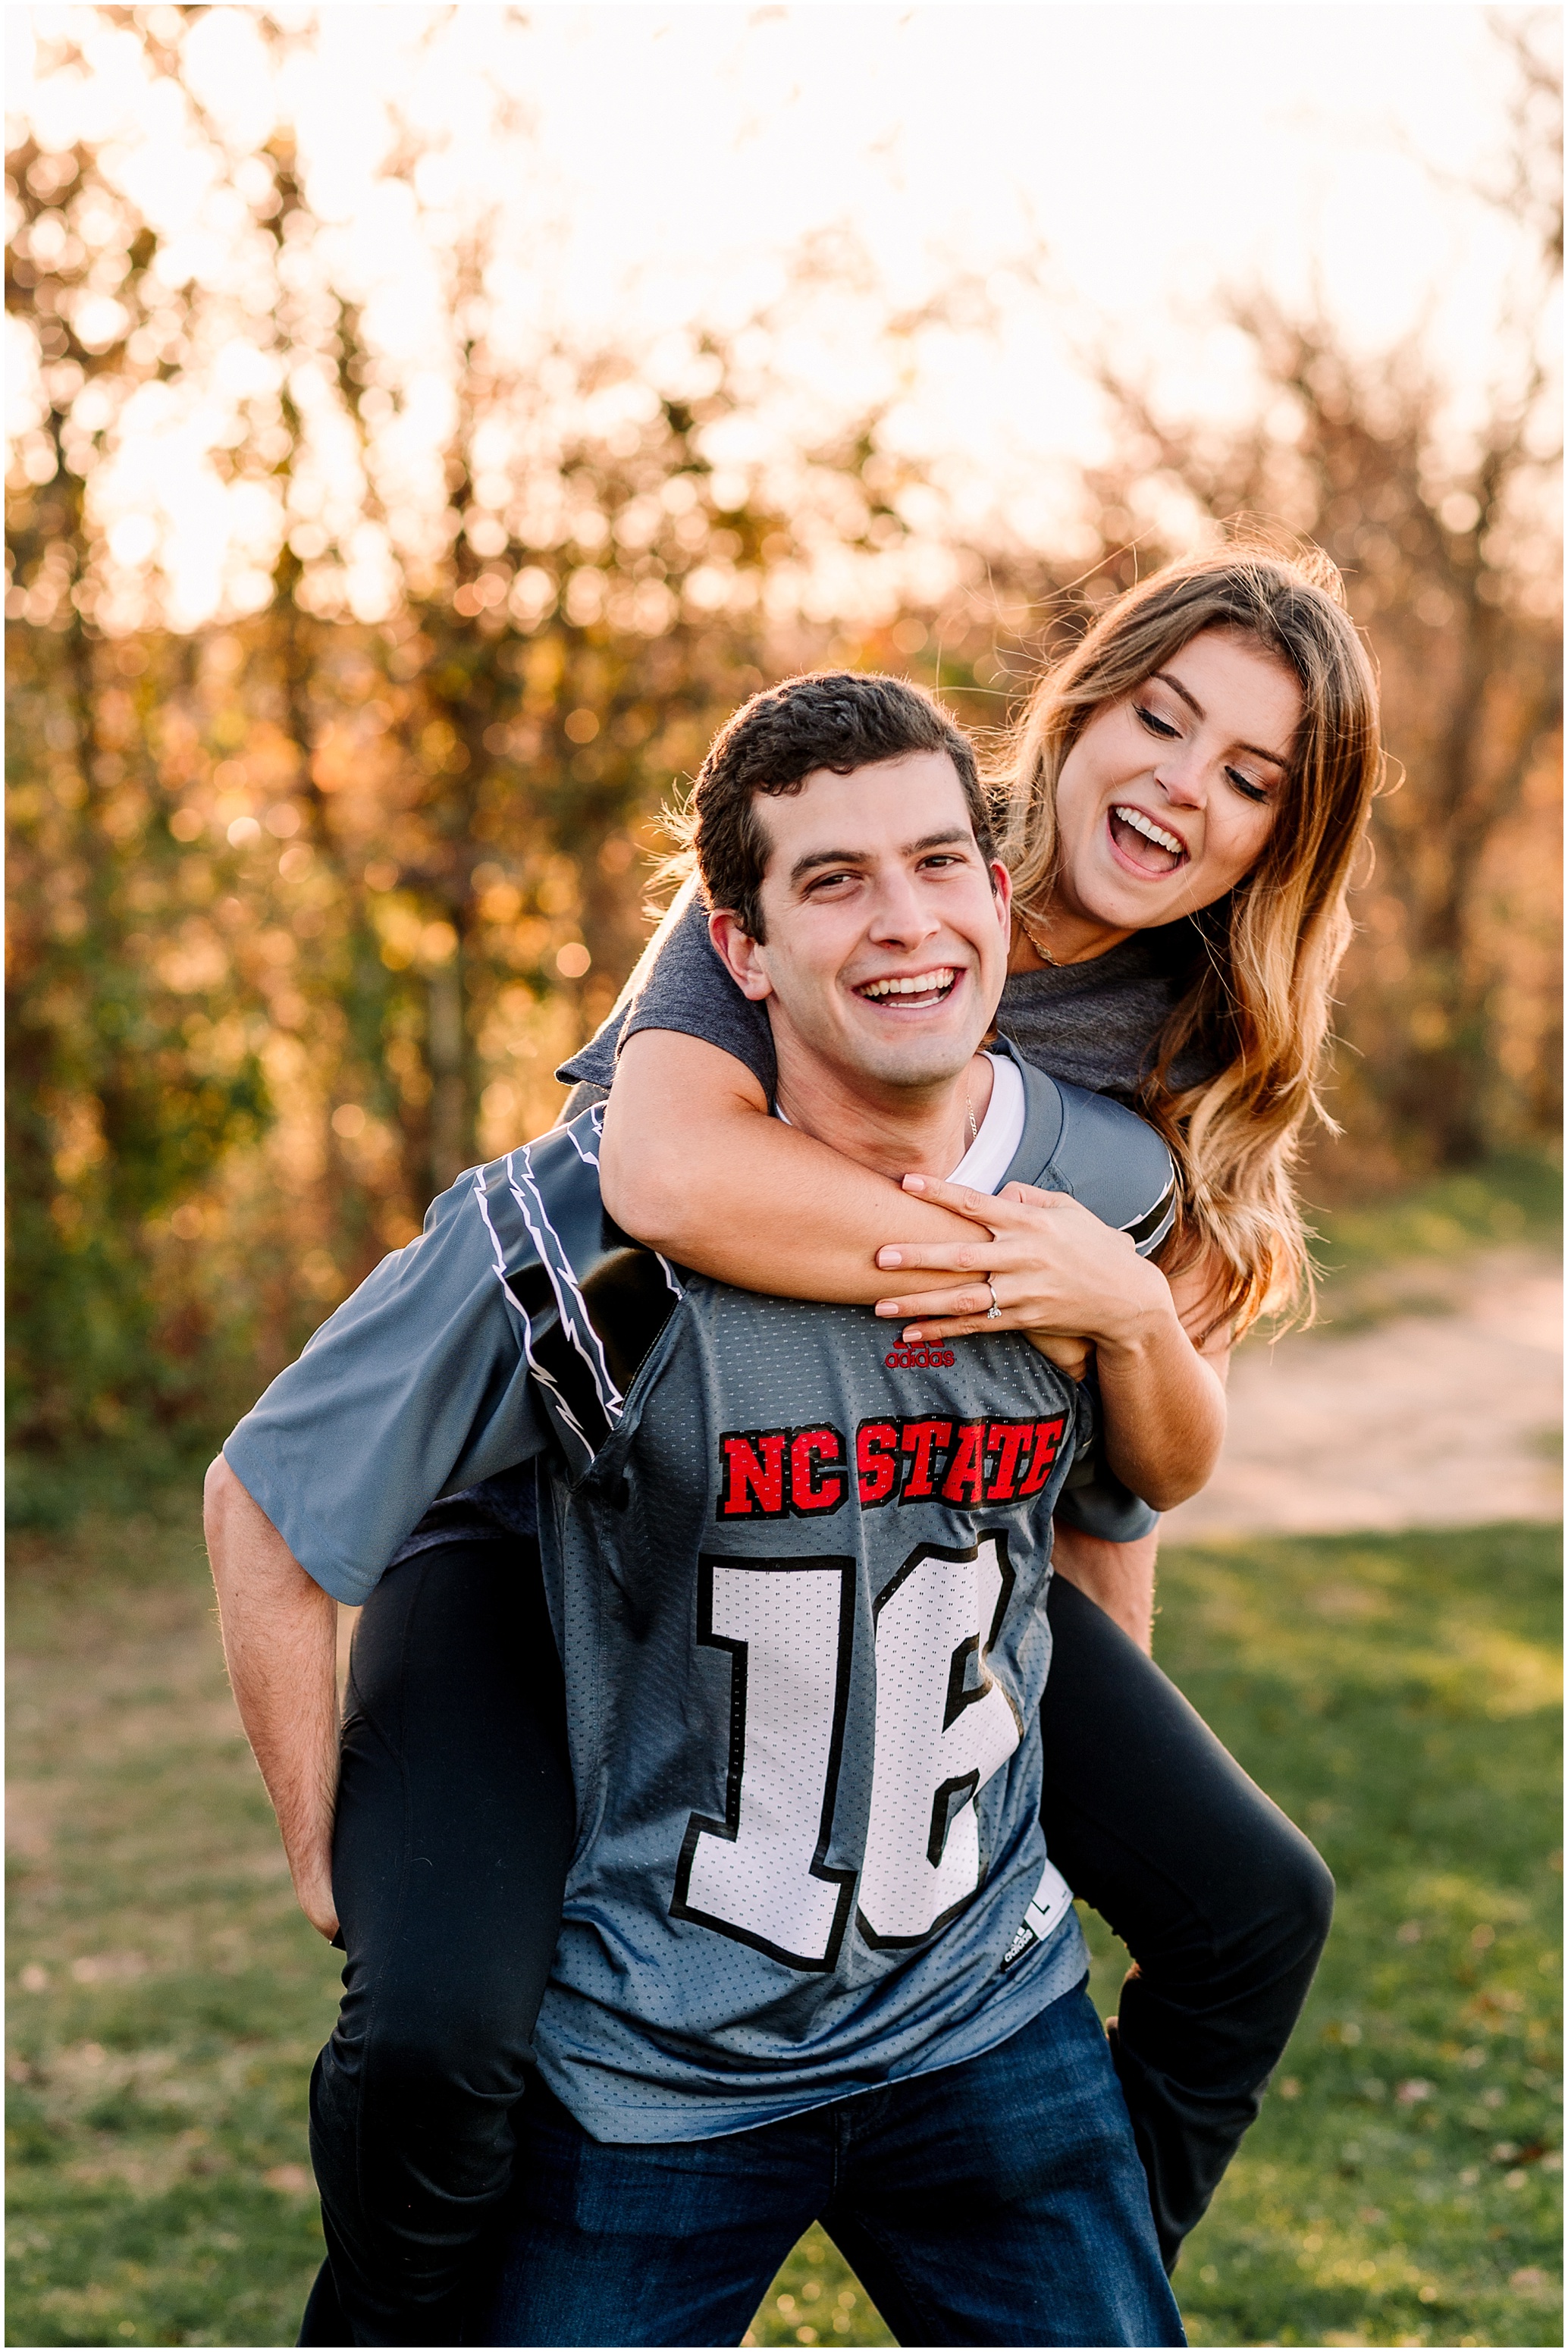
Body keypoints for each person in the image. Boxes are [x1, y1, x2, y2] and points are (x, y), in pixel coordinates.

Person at [207, 673, 1216, 2346]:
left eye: (937, 864)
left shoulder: (1099, 1184)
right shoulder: (578, 1234)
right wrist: (326, 1848)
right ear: (736, 952)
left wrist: (1130, 1317)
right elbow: (267, 1500)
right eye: (831, 882)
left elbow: (1119, 1499)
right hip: (660, 2061)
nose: (905, 923)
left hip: (980, 2014)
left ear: (994, 887)